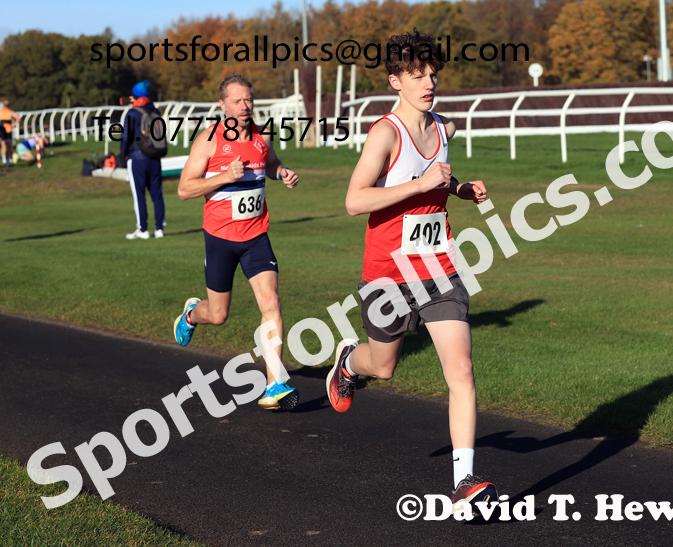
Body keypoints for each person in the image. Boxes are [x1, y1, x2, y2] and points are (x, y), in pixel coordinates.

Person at [326, 29, 497, 511]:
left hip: (439, 266)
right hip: (388, 272)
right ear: (395, 81)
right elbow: (355, 200)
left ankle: (463, 483)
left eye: (432, 74)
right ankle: (348, 363)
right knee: (383, 366)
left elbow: (437, 177)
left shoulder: (444, 128)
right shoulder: (386, 133)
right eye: (417, 75)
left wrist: (459, 189)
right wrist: (420, 184)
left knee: (461, 369)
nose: (428, 83)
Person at [175, 74, 301, 411]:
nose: (245, 106)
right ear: (222, 105)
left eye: (248, 99)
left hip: (256, 235)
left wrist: (282, 172)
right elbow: (184, 189)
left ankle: (275, 383)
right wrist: (223, 177)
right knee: (218, 315)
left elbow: (270, 163)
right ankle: (191, 314)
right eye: (237, 101)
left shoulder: (261, 136)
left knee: (271, 301)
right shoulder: (209, 140)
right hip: (220, 238)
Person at [121, 81, 166, 240]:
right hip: (155, 157)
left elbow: (125, 137)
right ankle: (159, 229)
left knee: (139, 195)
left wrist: (123, 155)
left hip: (137, 158)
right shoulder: (155, 111)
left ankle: (142, 229)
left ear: (135, 97)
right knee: (157, 195)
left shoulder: (132, 113)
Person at [0, 101, 21, 167]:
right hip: (2, 130)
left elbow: (18, 118)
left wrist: (13, 124)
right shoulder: (4, 111)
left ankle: (9, 157)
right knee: (4, 143)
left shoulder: (9, 112)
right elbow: (18, 118)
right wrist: (14, 124)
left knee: (7, 144)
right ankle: (5, 158)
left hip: (7, 130)